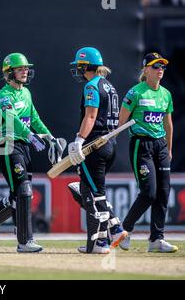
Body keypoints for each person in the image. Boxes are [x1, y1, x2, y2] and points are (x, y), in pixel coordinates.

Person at [0, 52, 65, 253]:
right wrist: (31, 136)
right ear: (9, 72)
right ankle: (25, 241)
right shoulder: (4, 95)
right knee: (24, 190)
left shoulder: (26, 93)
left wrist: (49, 137)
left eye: (26, 68)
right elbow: (11, 118)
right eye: (20, 68)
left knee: (19, 196)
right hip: (7, 145)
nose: (25, 71)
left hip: (23, 145)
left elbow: (34, 117)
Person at [67, 47, 128, 254]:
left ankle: (101, 241)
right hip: (110, 144)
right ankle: (112, 232)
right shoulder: (109, 86)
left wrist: (79, 139)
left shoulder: (91, 87)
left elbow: (90, 117)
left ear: (86, 66)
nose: (77, 70)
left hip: (94, 145)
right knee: (91, 191)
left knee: (93, 196)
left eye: (79, 66)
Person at [118, 52, 178, 253]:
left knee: (163, 193)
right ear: (145, 69)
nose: (160, 70)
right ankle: (124, 231)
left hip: (160, 146)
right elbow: (121, 122)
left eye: (162, 67)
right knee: (149, 193)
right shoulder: (135, 92)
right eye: (155, 66)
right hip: (141, 145)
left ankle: (156, 239)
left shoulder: (166, 94)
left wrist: (168, 148)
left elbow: (168, 124)